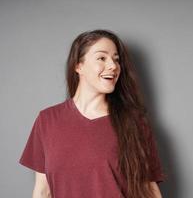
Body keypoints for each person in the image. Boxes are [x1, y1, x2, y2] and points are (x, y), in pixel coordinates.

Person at [18, 29, 167, 198]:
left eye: (116, 60)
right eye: (102, 58)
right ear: (78, 65)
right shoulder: (47, 120)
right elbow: (42, 191)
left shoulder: (134, 123)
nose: (113, 66)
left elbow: (149, 190)